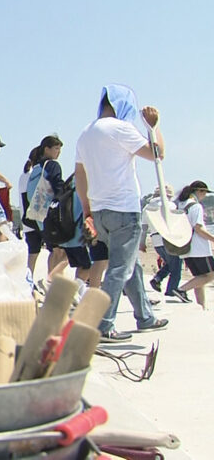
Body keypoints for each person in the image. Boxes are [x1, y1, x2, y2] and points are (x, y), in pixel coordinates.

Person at [75, 84, 168, 343]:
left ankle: (145, 317)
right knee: (120, 268)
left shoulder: (86, 133)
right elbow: (157, 154)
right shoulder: (120, 128)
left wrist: (87, 210)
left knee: (131, 265)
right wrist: (154, 126)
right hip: (123, 210)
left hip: (100, 211)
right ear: (122, 105)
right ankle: (104, 324)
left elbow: (80, 175)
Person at [141, 185, 187, 302]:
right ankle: (171, 290)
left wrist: (142, 243)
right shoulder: (170, 205)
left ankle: (157, 278)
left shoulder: (147, 208)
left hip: (155, 240)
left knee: (170, 263)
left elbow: (144, 227)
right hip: (168, 238)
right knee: (176, 266)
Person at [173, 181, 214, 307]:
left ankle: (202, 306)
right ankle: (181, 289)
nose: (205, 196)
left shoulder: (180, 205)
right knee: (210, 275)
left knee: (199, 277)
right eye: (205, 193)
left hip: (185, 246)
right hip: (198, 248)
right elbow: (198, 228)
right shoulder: (195, 206)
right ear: (199, 191)